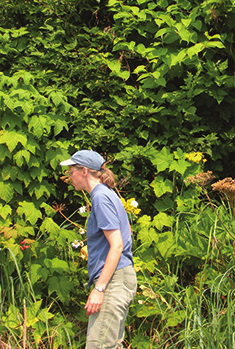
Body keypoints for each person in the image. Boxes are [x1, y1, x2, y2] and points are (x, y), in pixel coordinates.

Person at [60, 149, 137, 349]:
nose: (69, 177)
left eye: (71, 172)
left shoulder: (101, 197)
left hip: (113, 281)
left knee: (99, 346)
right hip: (121, 277)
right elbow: (126, 229)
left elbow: (118, 244)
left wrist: (99, 288)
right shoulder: (108, 194)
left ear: (84, 171)